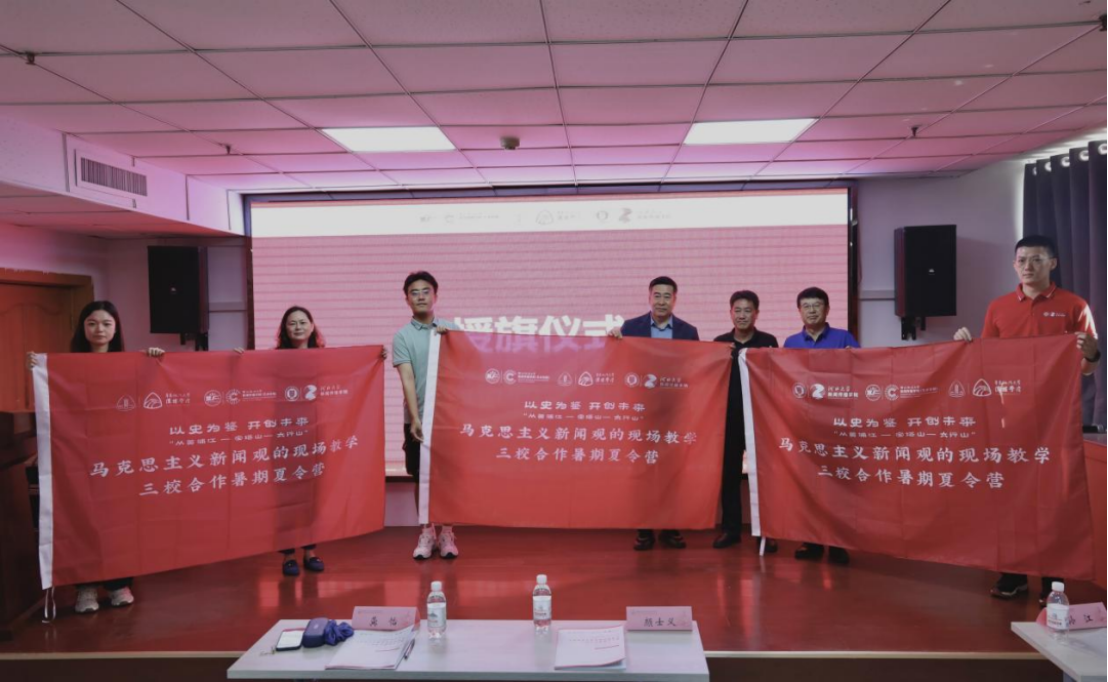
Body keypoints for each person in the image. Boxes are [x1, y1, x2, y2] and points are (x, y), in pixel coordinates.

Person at [955, 235, 1100, 603]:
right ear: (1014, 265)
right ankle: (1013, 574)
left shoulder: (1074, 305)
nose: (1028, 266)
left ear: (1053, 263)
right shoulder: (999, 307)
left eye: (1036, 259)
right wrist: (966, 347)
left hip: (1056, 420)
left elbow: (1085, 367)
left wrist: (1094, 354)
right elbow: (987, 360)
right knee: (1010, 496)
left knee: (1055, 499)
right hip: (1009, 419)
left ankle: (1053, 580)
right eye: (1021, 260)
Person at [27, 301, 164, 615]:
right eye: (91, 323)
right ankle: (85, 587)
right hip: (77, 456)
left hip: (119, 456)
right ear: (82, 328)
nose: (99, 329)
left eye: (105, 323)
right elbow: (51, 403)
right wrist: (37, 368)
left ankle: (118, 584)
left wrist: (155, 361)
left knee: (119, 521)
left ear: (115, 329)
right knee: (79, 518)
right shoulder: (65, 366)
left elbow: (151, 396)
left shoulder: (131, 363)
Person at [236, 307, 388, 577]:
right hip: (283, 435)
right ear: (284, 329)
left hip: (314, 435)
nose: (297, 327)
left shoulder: (323, 357)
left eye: (302, 322)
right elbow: (250, 373)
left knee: (311, 497)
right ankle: (288, 555)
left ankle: (310, 551)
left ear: (312, 326)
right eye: (292, 323)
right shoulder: (274, 359)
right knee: (284, 496)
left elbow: (350, 369)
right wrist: (239, 359)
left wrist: (376, 357)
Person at [609, 277, 700, 551]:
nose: (661, 301)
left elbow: (697, 368)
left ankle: (670, 528)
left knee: (673, 472)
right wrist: (612, 341)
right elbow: (618, 363)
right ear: (649, 297)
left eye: (667, 296)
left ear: (675, 299)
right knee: (644, 470)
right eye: (657, 295)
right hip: (642, 412)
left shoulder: (688, 331)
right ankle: (644, 529)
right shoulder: (630, 327)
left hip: (675, 412)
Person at [783, 287, 859, 566]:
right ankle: (811, 541)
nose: (812, 310)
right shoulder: (790, 342)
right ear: (799, 311)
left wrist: (855, 359)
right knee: (809, 485)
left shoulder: (844, 338)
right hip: (803, 426)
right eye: (806, 306)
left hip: (836, 424)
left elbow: (861, 374)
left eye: (817, 305)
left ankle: (837, 543)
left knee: (836, 486)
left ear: (827, 309)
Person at [392, 272, 460, 561]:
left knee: (448, 478)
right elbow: (407, 379)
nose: (420, 296)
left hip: (448, 418)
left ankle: (447, 533)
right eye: (414, 292)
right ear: (406, 299)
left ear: (435, 296)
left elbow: (464, 370)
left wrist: (452, 342)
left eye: (425, 291)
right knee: (420, 478)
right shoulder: (402, 336)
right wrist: (416, 418)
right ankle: (426, 531)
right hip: (417, 420)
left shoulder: (451, 330)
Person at [712, 291, 778, 551]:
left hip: (760, 419)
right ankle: (731, 530)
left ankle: (766, 532)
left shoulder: (768, 342)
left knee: (762, 476)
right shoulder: (720, 343)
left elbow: (776, 377)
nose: (742, 315)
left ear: (756, 314)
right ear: (730, 313)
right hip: (727, 420)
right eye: (737, 310)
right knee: (729, 475)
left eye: (747, 310)